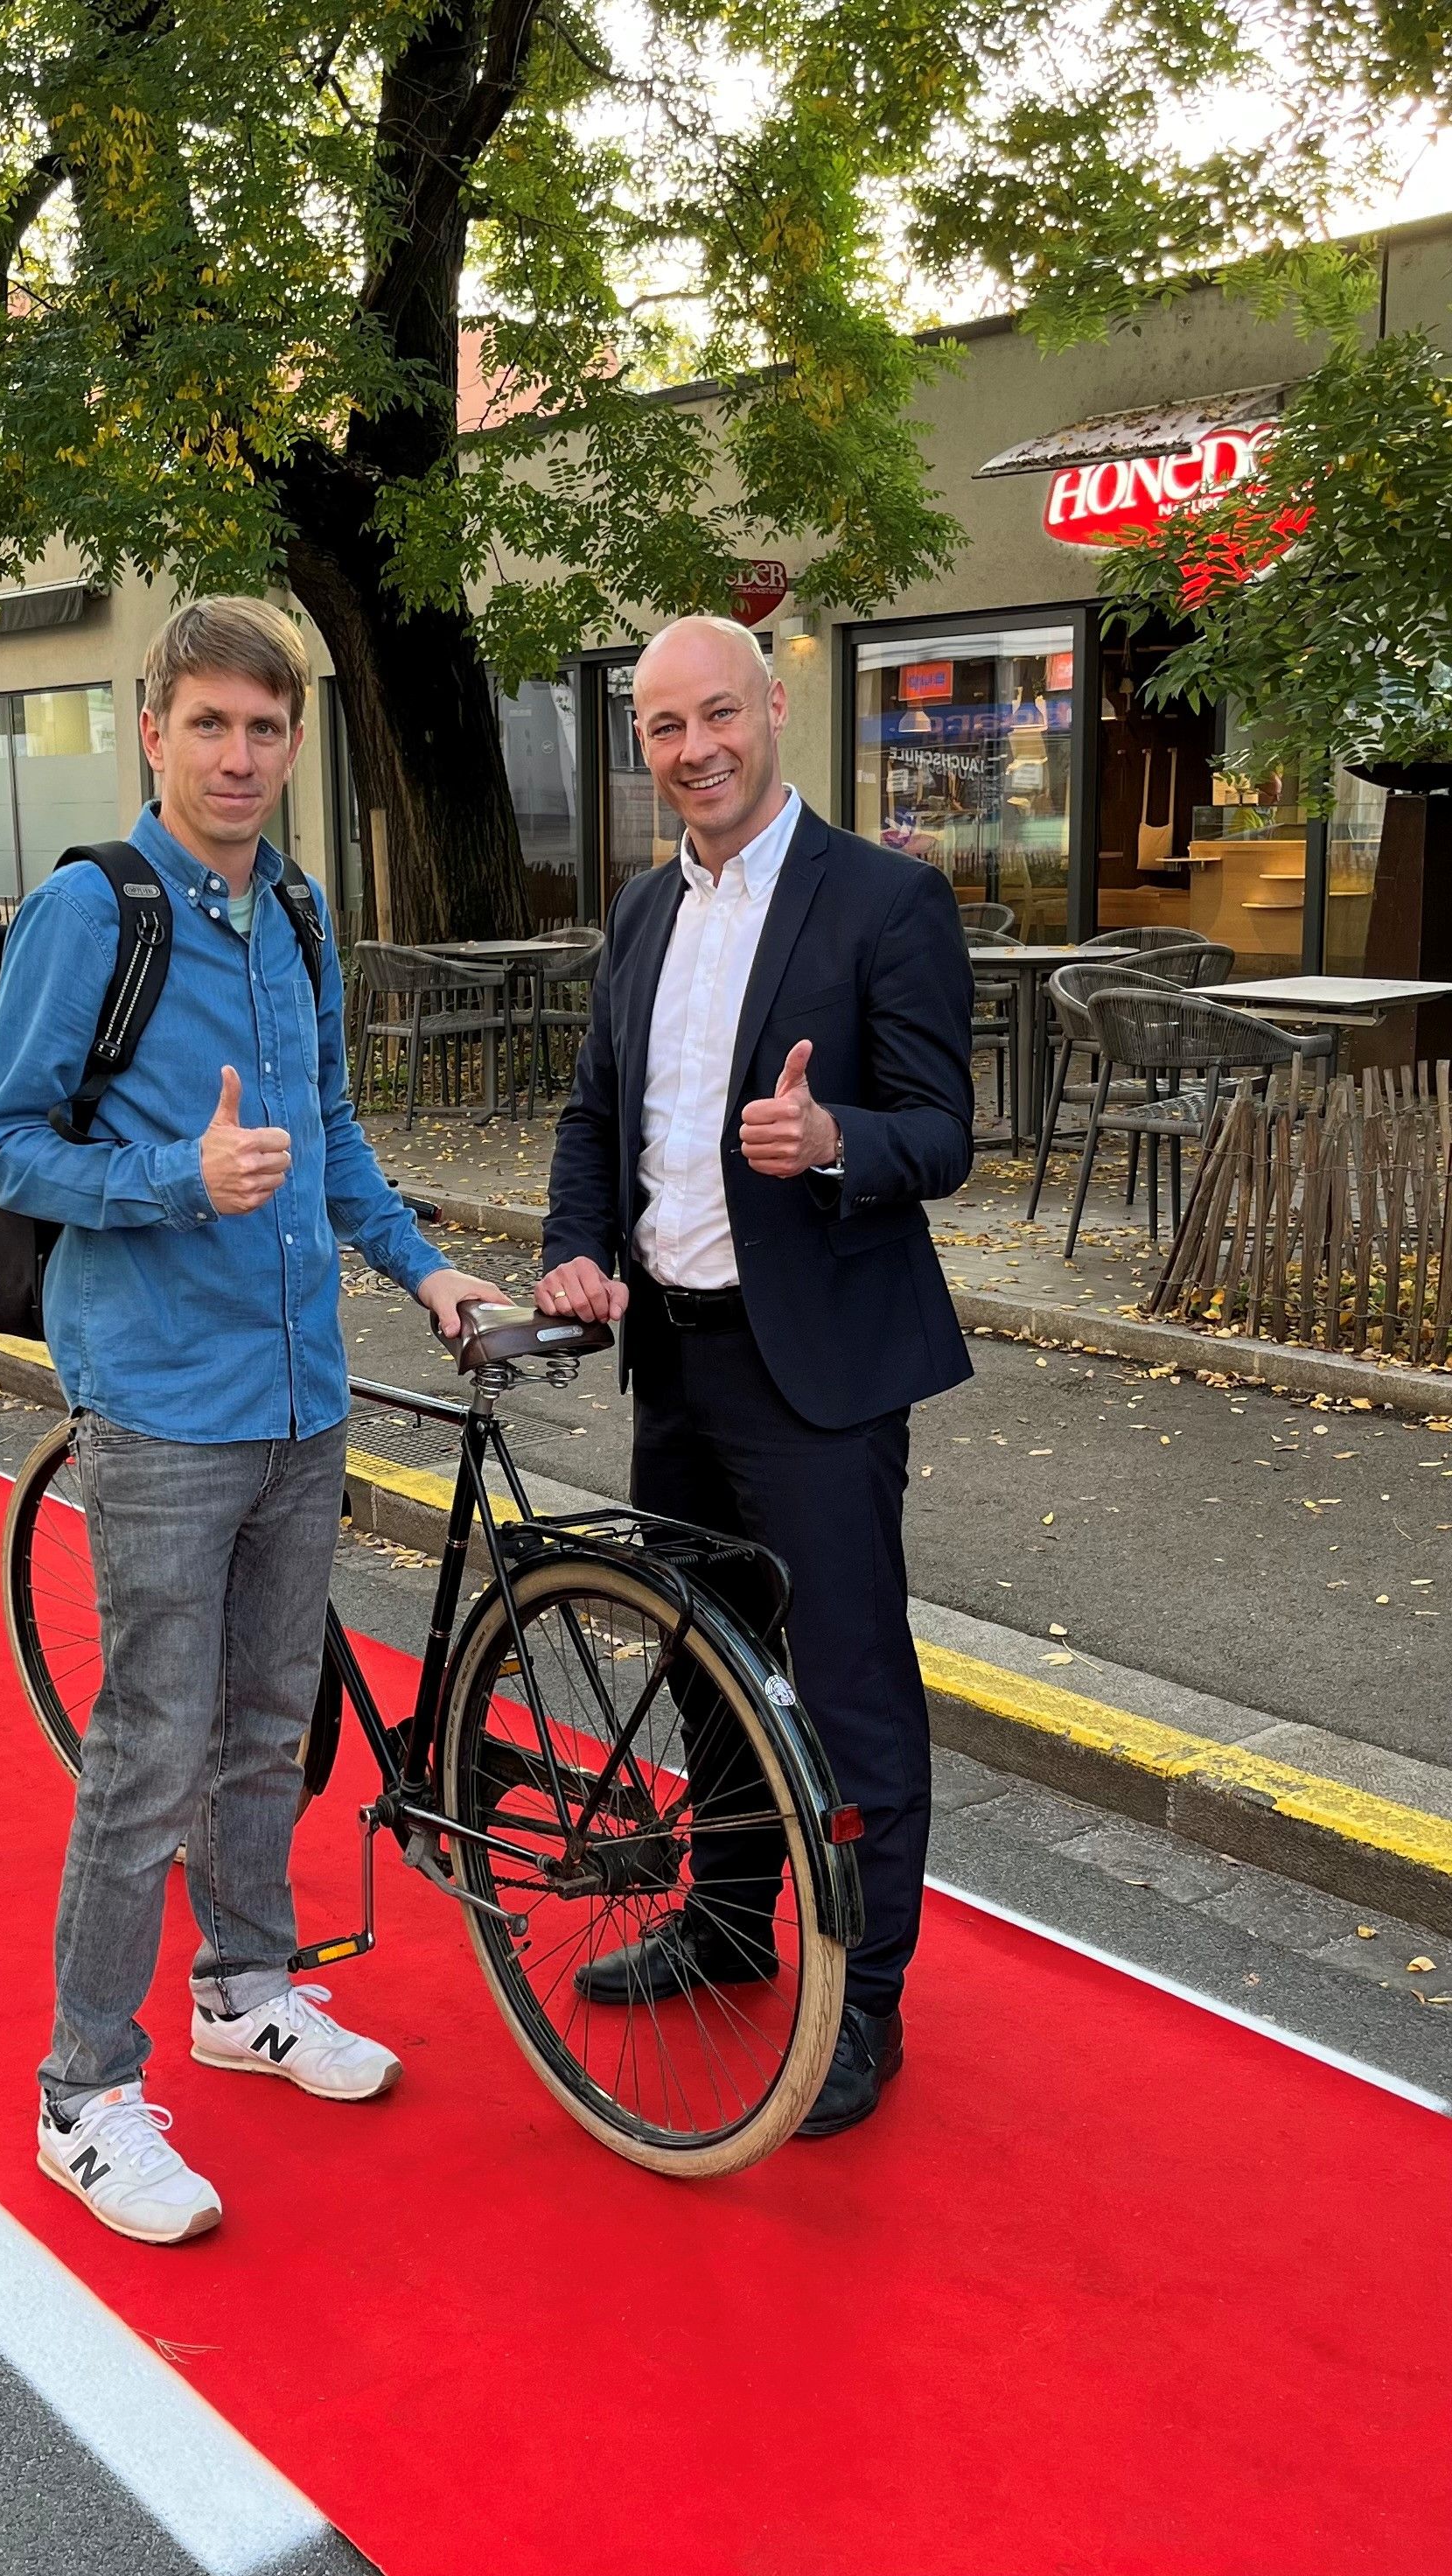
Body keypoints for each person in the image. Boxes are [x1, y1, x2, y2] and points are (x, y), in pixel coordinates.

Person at [0, 596, 499, 2243]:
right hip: (161, 1401)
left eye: (267, 730)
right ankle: (84, 2090)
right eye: (210, 725)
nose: (242, 757)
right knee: (152, 1744)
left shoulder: (301, 917)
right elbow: (4, 1151)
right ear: (154, 731)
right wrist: (172, 1180)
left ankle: (245, 1989)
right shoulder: (94, 913)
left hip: (297, 1395)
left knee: (273, 1720)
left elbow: (331, 1132)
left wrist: (426, 1273)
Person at [535, 614, 974, 2137]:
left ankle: (866, 2000)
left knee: (850, 1693)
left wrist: (838, 1139)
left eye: (718, 715)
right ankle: (727, 1922)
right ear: (643, 747)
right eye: (664, 728)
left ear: (774, 710)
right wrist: (575, 1248)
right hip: (677, 1353)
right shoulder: (642, 913)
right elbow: (600, 1112)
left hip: (823, 1377)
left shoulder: (886, 900)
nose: (696, 749)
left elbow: (948, 1131)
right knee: (704, 1666)